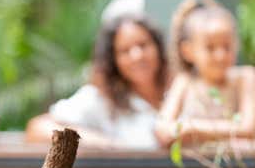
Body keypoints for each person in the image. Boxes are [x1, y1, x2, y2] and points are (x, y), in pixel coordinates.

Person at [25, 13, 168, 148]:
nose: (137, 56)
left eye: (143, 45)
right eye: (125, 51)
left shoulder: (180, 91)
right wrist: (103, 143)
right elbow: (37, 128)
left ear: (158, 47)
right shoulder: (101, 100)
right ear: (113, 60)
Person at [155, 0, 255, 147]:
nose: (221, 55)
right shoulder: (184, 82)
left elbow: (249, 127)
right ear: (188, 51)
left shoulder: (246, 77)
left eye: (227, 46)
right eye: (210, 48)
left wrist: (190, 128)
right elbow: (162, 130)